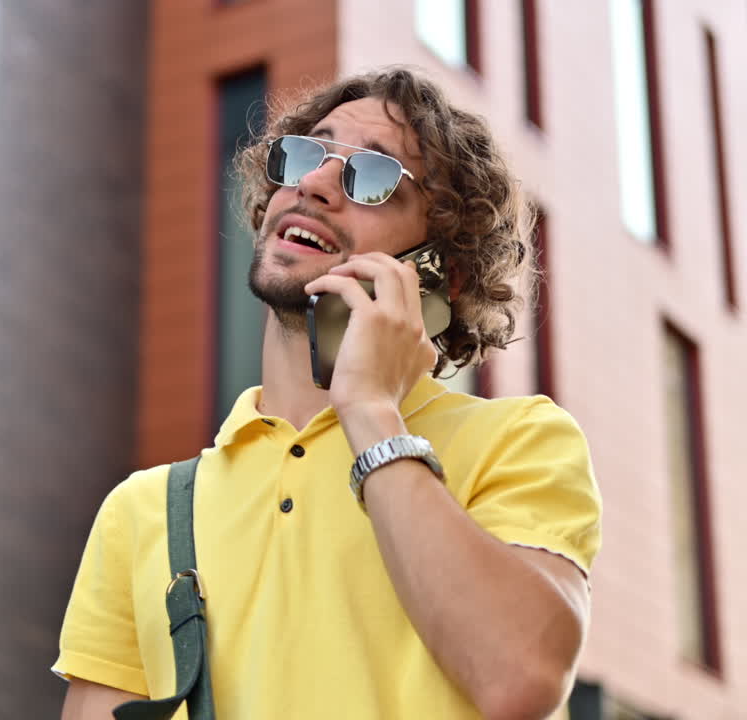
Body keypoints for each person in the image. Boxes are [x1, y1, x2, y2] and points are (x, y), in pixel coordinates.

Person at [54, 67, 602, 719]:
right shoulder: (143, 511)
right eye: (306, 155)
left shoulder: (520, 442)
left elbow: (521, 681)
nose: (313, 184)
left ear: (441, 273)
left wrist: (372, 412)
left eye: (370, 177)